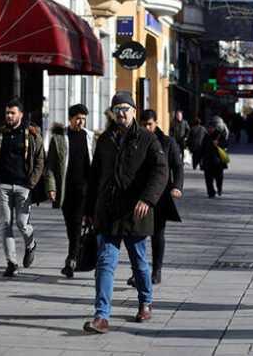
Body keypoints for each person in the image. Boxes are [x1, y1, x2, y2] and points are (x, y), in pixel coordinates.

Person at [83, 92, 168, 333]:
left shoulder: (147, 139)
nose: (121, 113)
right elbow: (94, 176)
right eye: (116, 109)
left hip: (135, 213)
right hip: (108, 213)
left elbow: (161, 172)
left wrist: (148, 199)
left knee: (139, 262)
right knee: (105, 263)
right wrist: (89, 209)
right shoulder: (105, 139)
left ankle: (145, 302)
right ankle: (101, 316)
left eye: (125, 108)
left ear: (134, 111)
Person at [0, 98, 45, 277]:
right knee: (5, 224)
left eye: (12, 113)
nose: (9, 116)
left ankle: (31, 244)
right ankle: (11, 263)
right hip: (3, 185)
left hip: (23, 186)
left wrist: (32, 182)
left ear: (20, 114)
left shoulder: (32, 134)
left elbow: (40, 159)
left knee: (22, 223)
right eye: (7, 113)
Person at [125, 109, 183, 286]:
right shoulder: (134, 141)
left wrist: (177, 187)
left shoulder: (167, 142)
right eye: (143, 124)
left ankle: (156, 270)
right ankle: (138, 272)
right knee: (137, 235)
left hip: (160, 195)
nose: (146, 127)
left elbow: (177, 166)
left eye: (149, 124)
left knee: (157, 234)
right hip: (137, 195)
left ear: (156, 123)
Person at [45, 104, 96, 278]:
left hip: (86, 189)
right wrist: (51, 188)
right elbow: (50, 166)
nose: (80, 122)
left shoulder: (90, 138)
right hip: (67, 190)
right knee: (70, 225)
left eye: (83, 119)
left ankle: (72, 259)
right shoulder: (60, 138)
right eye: (77, 118)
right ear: (70, 119)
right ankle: (74, 255)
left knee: (77, 223)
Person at [201, 123, 227, 198]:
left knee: (219, 178)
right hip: (207, 161)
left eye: (211, 128)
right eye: (208, 128)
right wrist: (199, 160)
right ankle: (211, 192)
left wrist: (218, 143)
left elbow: (225, 144)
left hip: (218, 162)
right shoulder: (206, 136)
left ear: (215, 128)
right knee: (208, 179)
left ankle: (219, 188)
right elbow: (202, 148)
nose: (209, 129)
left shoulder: (219, 136)